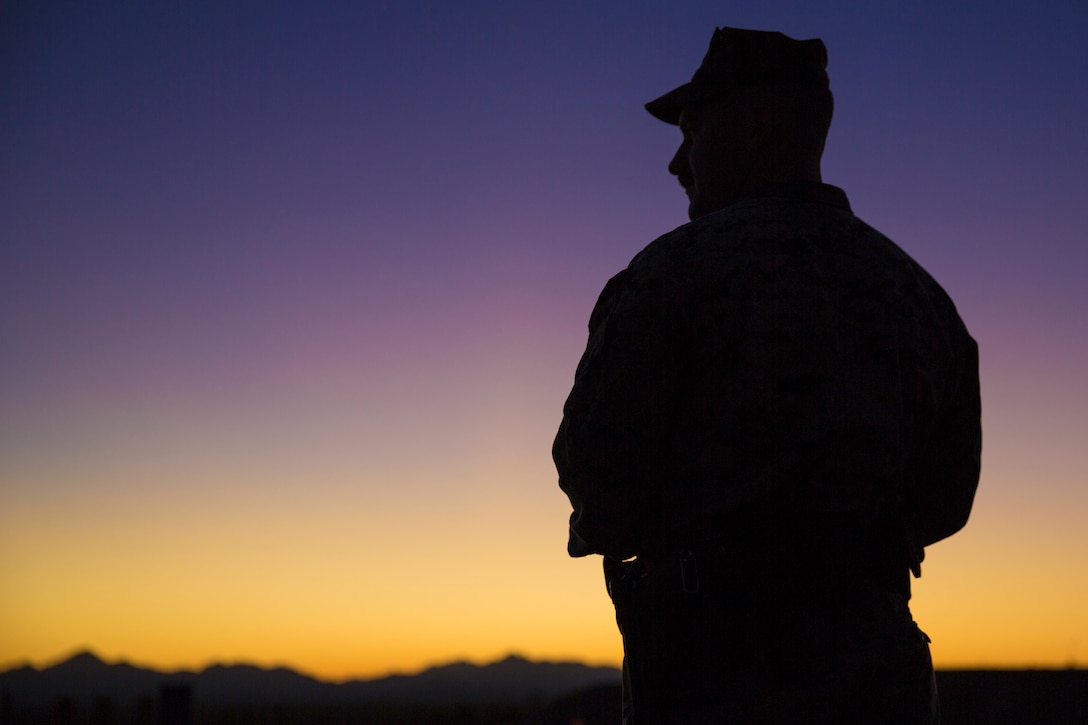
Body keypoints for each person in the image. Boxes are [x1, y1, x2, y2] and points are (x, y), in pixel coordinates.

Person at [553, 27, 981, 723]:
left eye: (691, 131)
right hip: (880, 686)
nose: (675, 162)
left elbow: (598, 477)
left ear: (755, 125)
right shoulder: (923, 300)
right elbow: (945, 500)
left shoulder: (669, 276)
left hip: (706, 684)